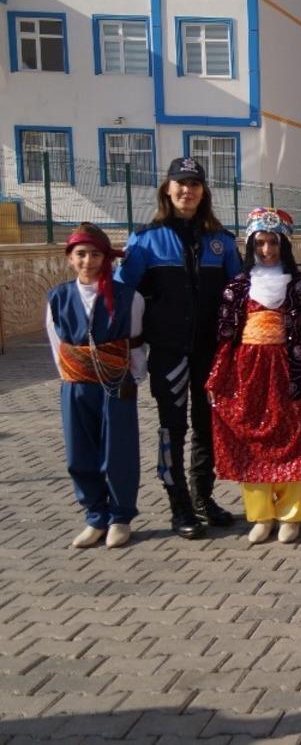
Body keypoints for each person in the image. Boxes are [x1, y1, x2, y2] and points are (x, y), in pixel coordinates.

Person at [116, 157, 241, 539]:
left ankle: (204, 497)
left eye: (195, 184)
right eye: (180, 183)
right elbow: (125, 296)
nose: (187, 190)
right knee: (173, 427)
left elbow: (238, 295)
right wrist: (127, 352)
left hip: (211, 352)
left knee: (208, 427)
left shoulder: (221, 240)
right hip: (169, 351)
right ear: (167, 188)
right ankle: (179, 506)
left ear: (204, 192)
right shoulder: (145, 239)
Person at [206, 209, 301, 545]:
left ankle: (290, 514)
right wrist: (219, 379)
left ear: (284, 244)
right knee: (253, 439)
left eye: (273, 242)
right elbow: (226, 336)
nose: (267, 250)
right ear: (250, 245)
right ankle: (260, 515)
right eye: (260, 242)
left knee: (292, 437)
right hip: (248, 373)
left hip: (293, 371)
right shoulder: (238, 286)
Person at [46, 224, 146, 548]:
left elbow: (136, 344)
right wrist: (74, 375)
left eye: (95, 254)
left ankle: (120, 517)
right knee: (79, 451)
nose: (88, 261)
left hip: (116, 383)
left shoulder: (128, 298)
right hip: (76, 385)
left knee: (119, 450)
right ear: (70, 258)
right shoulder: (58, 298)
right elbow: (56, 343)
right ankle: (95, 516)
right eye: (81, 254)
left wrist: (134, 377)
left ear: (106, 258)